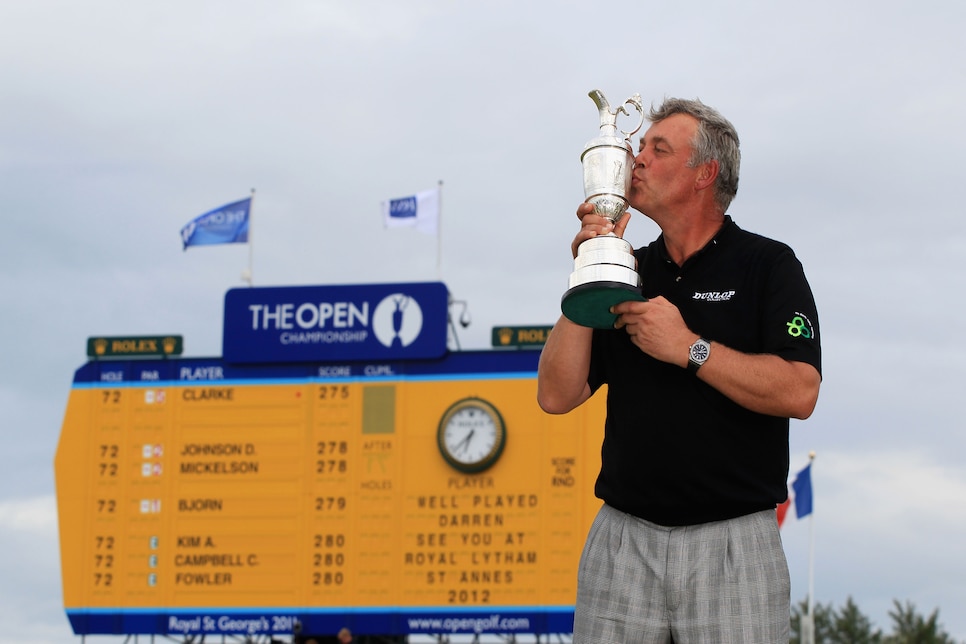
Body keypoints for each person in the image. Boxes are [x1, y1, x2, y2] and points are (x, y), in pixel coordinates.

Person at [537, 97, 822, 643]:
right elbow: (555, 394)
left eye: (657, 149)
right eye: (639, 147)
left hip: (735, 545)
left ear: (704, 174)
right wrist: (589, 269)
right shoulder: (629, 268)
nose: (635, 159)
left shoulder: (769, 265)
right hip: (622, 540)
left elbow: (800, 390)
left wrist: (691, 348)